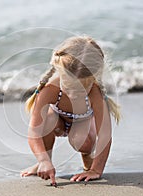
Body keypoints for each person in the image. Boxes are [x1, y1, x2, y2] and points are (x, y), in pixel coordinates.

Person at [20, 36, 121, 185]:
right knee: (47, 120)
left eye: (81, 91)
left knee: (83, 142)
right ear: (60, 75)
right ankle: (45, 161)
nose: (74, 94)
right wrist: (43, 160)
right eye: (70, 88)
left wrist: (96, 170)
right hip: (57, 122)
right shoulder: (50, 90)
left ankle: (88, 159)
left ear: (93, 79)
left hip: (83, 125)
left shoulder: (95, 93)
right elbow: (34, 132)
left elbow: (105, 136)